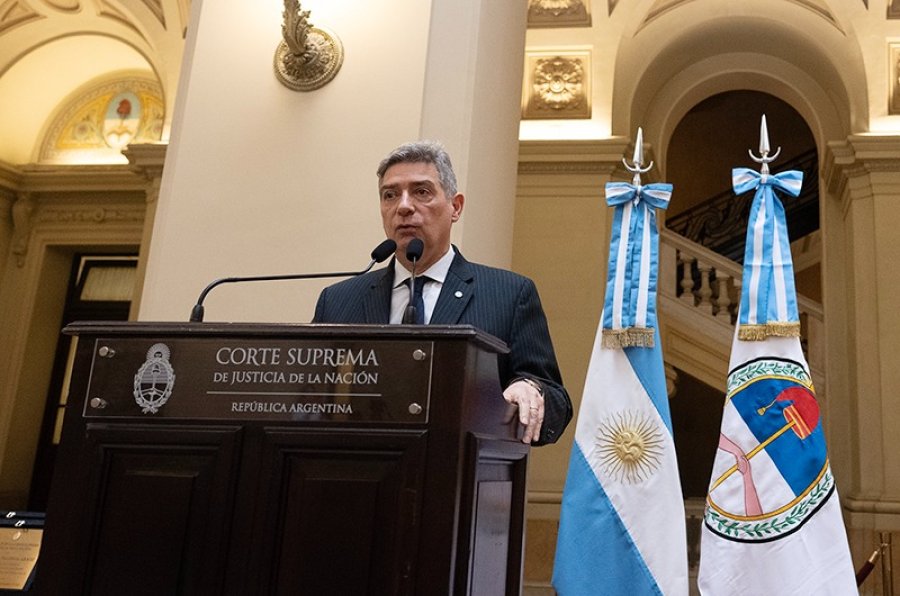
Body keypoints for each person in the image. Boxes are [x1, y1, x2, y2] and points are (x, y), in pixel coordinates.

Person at [313, 141, 571, 445]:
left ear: (456, 207)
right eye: (390, 195)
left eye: (421, 192)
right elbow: (308, 404)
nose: (404, 206)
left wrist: (530, 389)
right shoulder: (339, 300)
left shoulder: (510, 294)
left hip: (459, 475)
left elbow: (557, 403)